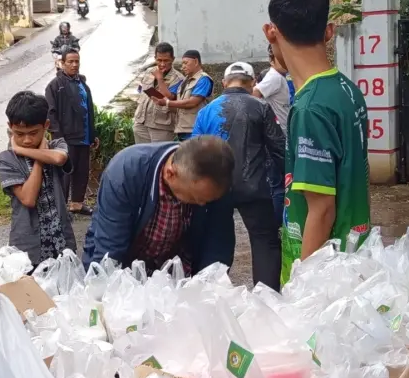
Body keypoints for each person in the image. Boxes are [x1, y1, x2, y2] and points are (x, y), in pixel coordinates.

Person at [264, 0, 372, 285]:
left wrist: (303, 288)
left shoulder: (311, 107)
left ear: (271, 31)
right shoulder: (346, 89)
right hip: (353, 252)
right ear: (328, 31)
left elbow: (322, 210)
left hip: (325, 271)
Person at [192, 62, 286, 290]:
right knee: (264, 241)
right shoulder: (261, 108)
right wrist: (282, 186)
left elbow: (192, 152)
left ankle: (211, 300)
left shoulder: (207, 111)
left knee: (216, 243)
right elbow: (279, 150)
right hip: (254, 187)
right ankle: (267, 301)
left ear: (224, 83)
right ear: (253, 82)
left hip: (215, 188)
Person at [82, 136, 235, 274]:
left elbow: (218, 246)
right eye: (195, 198)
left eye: (208, 201)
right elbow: (110, 250)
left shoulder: (217, 182)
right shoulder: (126, 172)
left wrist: (208, 289)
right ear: (170, 173)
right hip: (127, 265)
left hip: (174, 268)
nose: (203, 204)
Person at [0, 91, 77, 267]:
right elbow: (28, 198)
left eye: (33, 133)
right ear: (10, 127)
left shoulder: (57, 145)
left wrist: (22, 150)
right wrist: (40, 161)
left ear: (46, 125)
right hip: (28, 250)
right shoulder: (6, 159)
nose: (26, 140)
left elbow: (59, 159)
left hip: (62, 241)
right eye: (19, 134)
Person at [45, 47, 99, 216]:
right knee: (65, 173)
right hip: (66, 137)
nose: (74, 65)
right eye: (70, 62)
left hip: (83, 136)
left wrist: (93, 133)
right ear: (62, 63)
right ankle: (61, 208)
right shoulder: (55, 86)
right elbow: (50, 113)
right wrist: (58, 137)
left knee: (82, 171)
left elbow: (89, 110)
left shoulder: (83, 84)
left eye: (77, 61)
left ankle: (76, 204)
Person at [155, 49, 214, 141]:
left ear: (196, 62)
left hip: (195, 129)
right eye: (182, 64)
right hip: (182, 129)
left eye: (186, 63)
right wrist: (162, 101)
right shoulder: (185, 81)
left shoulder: (203, 79)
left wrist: (167, 102)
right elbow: (179, 105)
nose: (183, 67)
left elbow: (192, 102)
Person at [133, 42, 185, 143]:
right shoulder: (148, 72)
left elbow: (169, 98)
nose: (162, 64)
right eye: (159, 60)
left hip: (162, 126)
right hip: (141, 122)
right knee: (142, 155)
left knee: (159, 156)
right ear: (155, 58)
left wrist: (160, 78)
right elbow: (140, 91)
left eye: (166, 60)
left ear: (173, 59)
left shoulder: (178, 79)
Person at [254, 44, 294, 137]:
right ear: (271, 61)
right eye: (280, 60)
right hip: (278, 132)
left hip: (283, 129)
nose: (285, 63)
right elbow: (255, 93)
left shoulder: (280, 76)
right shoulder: (274, 77)